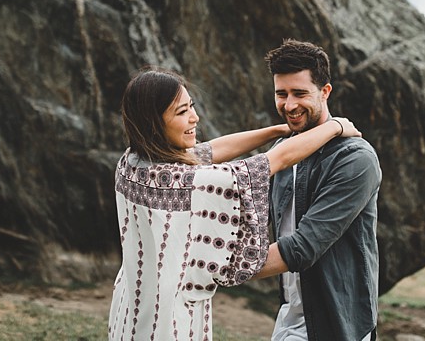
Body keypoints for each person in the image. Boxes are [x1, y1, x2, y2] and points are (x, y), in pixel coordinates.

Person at [108, 67, 361, 341]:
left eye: (191, 106)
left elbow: (210, 150)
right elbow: (273, 162)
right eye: (182, 112)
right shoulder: (184, 182)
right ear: (154, 123)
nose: (194, 117)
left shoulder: (132, 163)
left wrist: (280, 129)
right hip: (169, 321)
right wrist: (335, 127)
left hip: (130, 306)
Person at [262, 39, 382, 341]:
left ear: (325, 91)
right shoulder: (282, 152)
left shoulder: (355, 159)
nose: (289, 105)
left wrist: (222, 267)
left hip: (338, 327)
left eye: (300, 93)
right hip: (289, 318)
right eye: (281, 94)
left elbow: (303, 247)